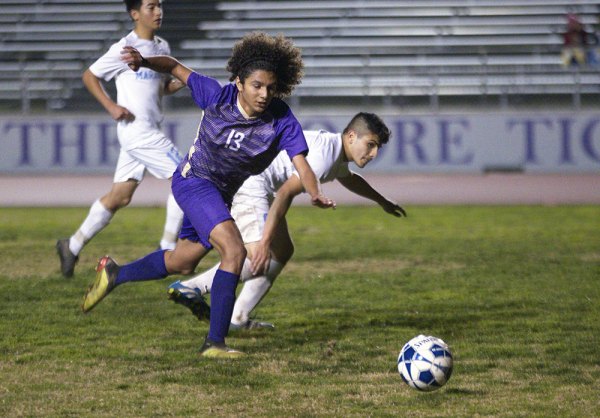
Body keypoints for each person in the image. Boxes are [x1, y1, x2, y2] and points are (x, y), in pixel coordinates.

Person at [80, 31, 336, 358]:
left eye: (270, 87)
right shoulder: (216, 94)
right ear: (238, 82)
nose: (264, 94)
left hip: (220, 196)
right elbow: (174, 67)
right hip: (193, 182)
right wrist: (144, 61)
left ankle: (115, 273)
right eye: (257, 85)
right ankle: (214, 343)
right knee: (234, 252)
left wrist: (314, 192)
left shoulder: (281, 118)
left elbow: (302, 163)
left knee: (182, 262)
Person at [167, 112, 406, 330]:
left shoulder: (334, 151)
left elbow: (349, 178)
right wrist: (264, 242)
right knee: (259, 256)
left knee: (281, 251)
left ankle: (237, 319)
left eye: (377, 148)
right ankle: (193, 287)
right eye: (371, 145)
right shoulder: (324, 156)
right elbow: (285, 194)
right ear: (352, 136)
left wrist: (382, 200)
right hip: (251, 185)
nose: (373, 154)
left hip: (262, 185)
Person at [56, 0, 185, 278]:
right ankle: (167, 248)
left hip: (147, 131)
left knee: (119, 197)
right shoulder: (123, 48)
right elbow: (90, 76)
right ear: (135, 14)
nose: (158, 11)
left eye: (160, 5)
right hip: (137, 132)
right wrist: (111, 107)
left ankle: (72, 245)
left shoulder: (162, 46)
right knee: (186, 176)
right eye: (151, 7)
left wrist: (181, 81)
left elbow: (159, 88)